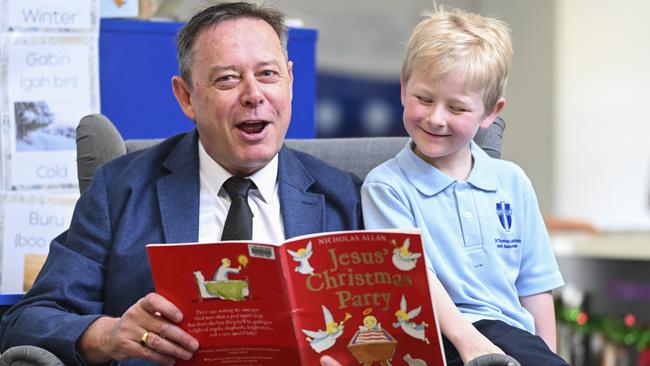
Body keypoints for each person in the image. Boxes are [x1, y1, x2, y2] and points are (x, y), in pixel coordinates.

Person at [0, 3, 361, 365]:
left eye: (268, 74)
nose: (254, 95)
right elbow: (28, 320)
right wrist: (108, 334)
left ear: (290, 81)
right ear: (186, 97)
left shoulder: (345, 198)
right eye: (228, 79)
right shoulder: (120, 190)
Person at [360, 7, 568, 366]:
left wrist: (547, 356)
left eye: (456, 108)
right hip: (435, 333)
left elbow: (535, 287)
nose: (435, 118)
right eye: (423, 99)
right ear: (403, 88)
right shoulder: (386, 186)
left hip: (509, 335)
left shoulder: (512, 182)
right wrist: (473, 346)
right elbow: (414, 278)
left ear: (490, 113)